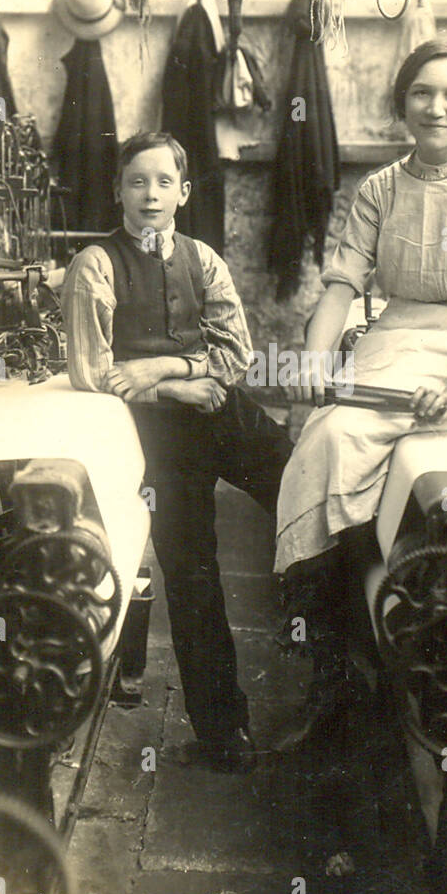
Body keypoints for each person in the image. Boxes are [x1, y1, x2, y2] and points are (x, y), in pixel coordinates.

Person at [274, 38, 447, 742]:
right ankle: (329, 655)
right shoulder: (380, 189)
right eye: (423, 93)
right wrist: (312, 358)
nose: (437, 107)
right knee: (313, 431)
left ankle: (352, 629)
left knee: (337, 436)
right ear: (403, 104)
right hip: (394, 337)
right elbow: (340, 287)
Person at [61, 131, 292, 773]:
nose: (151, 194)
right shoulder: (95, 266)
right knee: (193, 575)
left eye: (165, 182)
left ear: (184, 193)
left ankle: (336, 685)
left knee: (307, 496)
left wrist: (169, 371)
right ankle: (225, 735)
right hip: (157, 435)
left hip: (216, 409)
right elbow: (92, 372)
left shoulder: (203, 258)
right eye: (138, 181)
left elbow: (235, 353)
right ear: (118, 191)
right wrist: (177, 391)